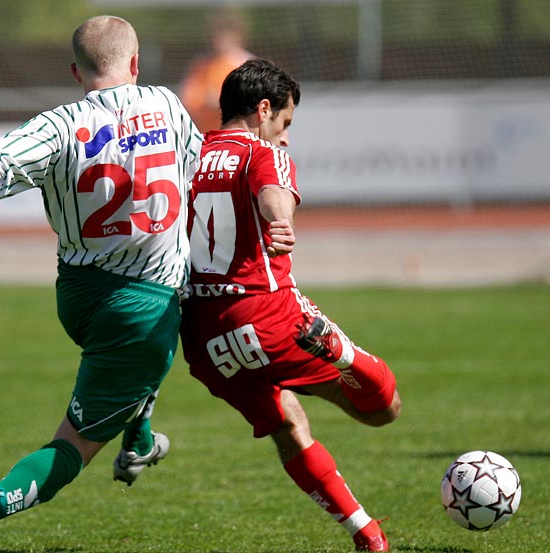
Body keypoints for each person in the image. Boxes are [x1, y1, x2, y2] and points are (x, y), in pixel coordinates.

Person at [0, 15, 203, 553]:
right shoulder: (168, 105)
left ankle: (139, 440)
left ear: (76, 72)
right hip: (139, 305)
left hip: (77, 294)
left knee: (151, 342)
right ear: (137, 64)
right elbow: (198, 170)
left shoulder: (59, 125)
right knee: (72, 447)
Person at [179, 58, 401, 552]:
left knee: (288, 426)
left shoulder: (186, 156)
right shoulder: (262, 150)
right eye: (285, 123)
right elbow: (273, 190)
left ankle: (366, 532)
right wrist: (280, 220)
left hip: (202, 336)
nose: (285, 137)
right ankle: (341, 352)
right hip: (268, 316)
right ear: (263, 110)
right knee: (382, 409)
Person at [179, 8, 253, 133]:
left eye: (226, 32)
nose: (221, 39)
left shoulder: (247, 64)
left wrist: (220, 101)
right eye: (218, 32)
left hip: (238, 137)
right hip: (207, 138)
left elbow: (253, 104)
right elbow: (188, 99)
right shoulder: (202, 65)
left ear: (238, 35)